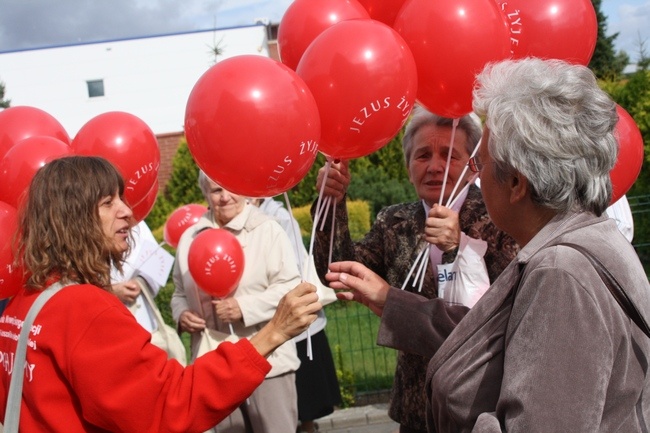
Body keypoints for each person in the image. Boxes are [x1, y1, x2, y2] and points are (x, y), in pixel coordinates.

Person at [325, 57, 650, 432]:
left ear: (516, 183)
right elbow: (493, 331)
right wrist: (389, 301)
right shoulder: (587, 237)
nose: (468, 176)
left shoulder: (561, 272)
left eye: (477, 164)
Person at [0, 156, 321, 432]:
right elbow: (169, 404)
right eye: (108, 202)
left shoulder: (23, 303)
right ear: (73, 218)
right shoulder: (86, 309)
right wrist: (273, 333)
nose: (128, 211)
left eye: (122, 199)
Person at [313, 107, 518, 432]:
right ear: (408, 168)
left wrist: (458, 247)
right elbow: (339, 268)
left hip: (480, 404)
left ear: (472, 167)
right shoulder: (394, 222)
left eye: (449, 155)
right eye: (422, 155)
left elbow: (507, 309)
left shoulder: (500, 218)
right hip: (416, 406)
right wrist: (331, 203)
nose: (434, 166)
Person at [171, 173, 304, 433]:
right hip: (214, 367)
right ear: (205, 194)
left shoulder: (268, 229)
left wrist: (244, 308)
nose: (225, 197)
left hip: (269, 362)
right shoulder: (189, 238)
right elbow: (178, 291)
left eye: (231, 188)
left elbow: (290, 287)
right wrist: (182, 314)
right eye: (217, 190)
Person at [251, 197, 342, 433]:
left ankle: (308, 426)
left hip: (291, 314)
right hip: (266, 319)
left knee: (305, 390)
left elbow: (292, 266)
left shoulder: (278, 218)